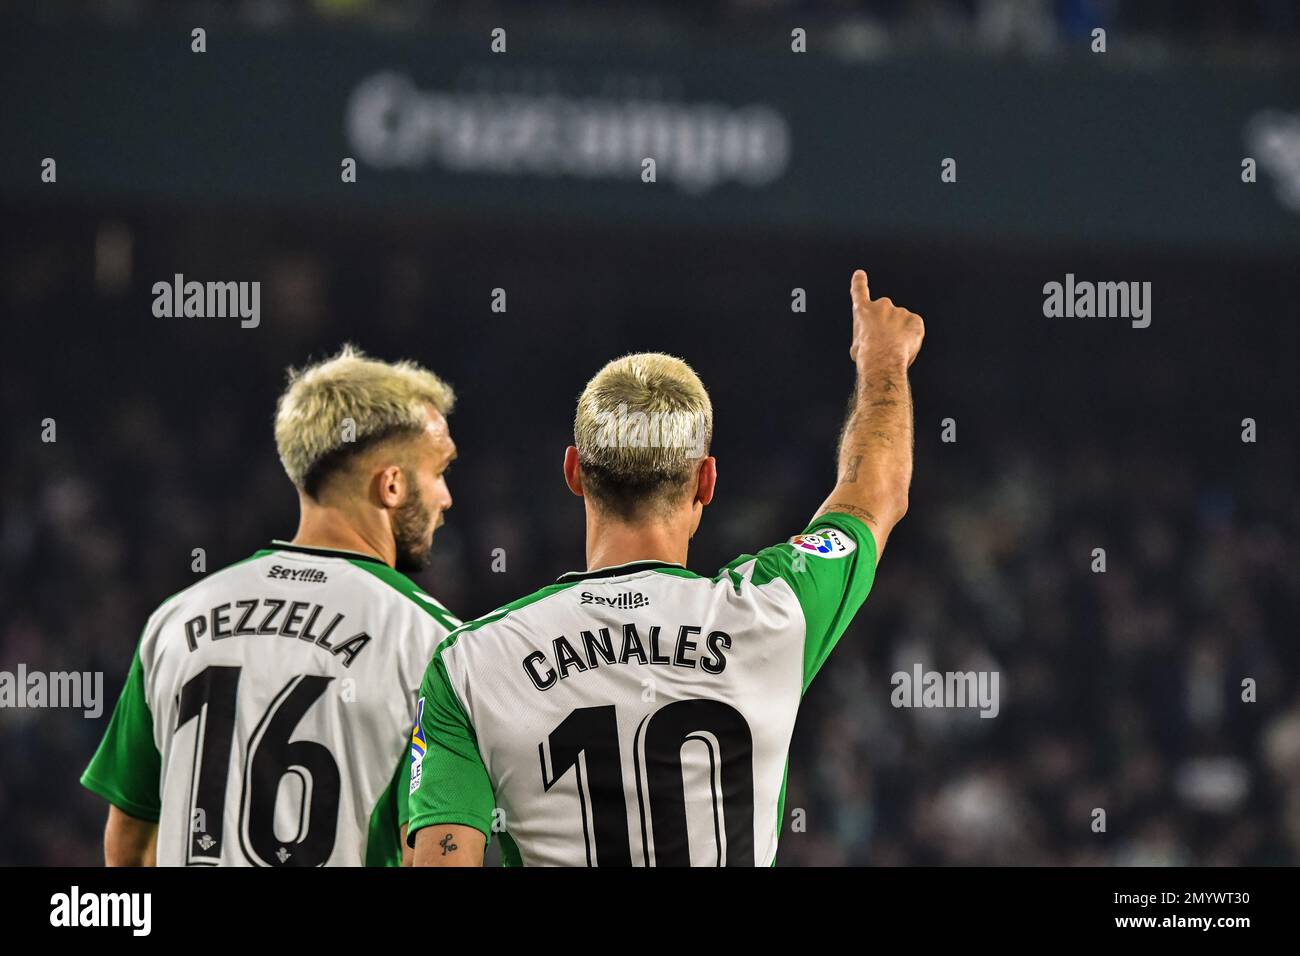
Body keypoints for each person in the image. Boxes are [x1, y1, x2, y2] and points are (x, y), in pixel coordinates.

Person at [408, 270, 923, 866]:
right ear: (706, 481)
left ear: (573, 471)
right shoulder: (777, 610)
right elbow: (874, 493)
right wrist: (882, 360)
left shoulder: (470, 666)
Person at [82, 345, 461, 866]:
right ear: (392, 484)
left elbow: (130, 840)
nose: (445, 497)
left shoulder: (174, 621)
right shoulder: (433, 642)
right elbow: (435, 853)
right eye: (439, 471)